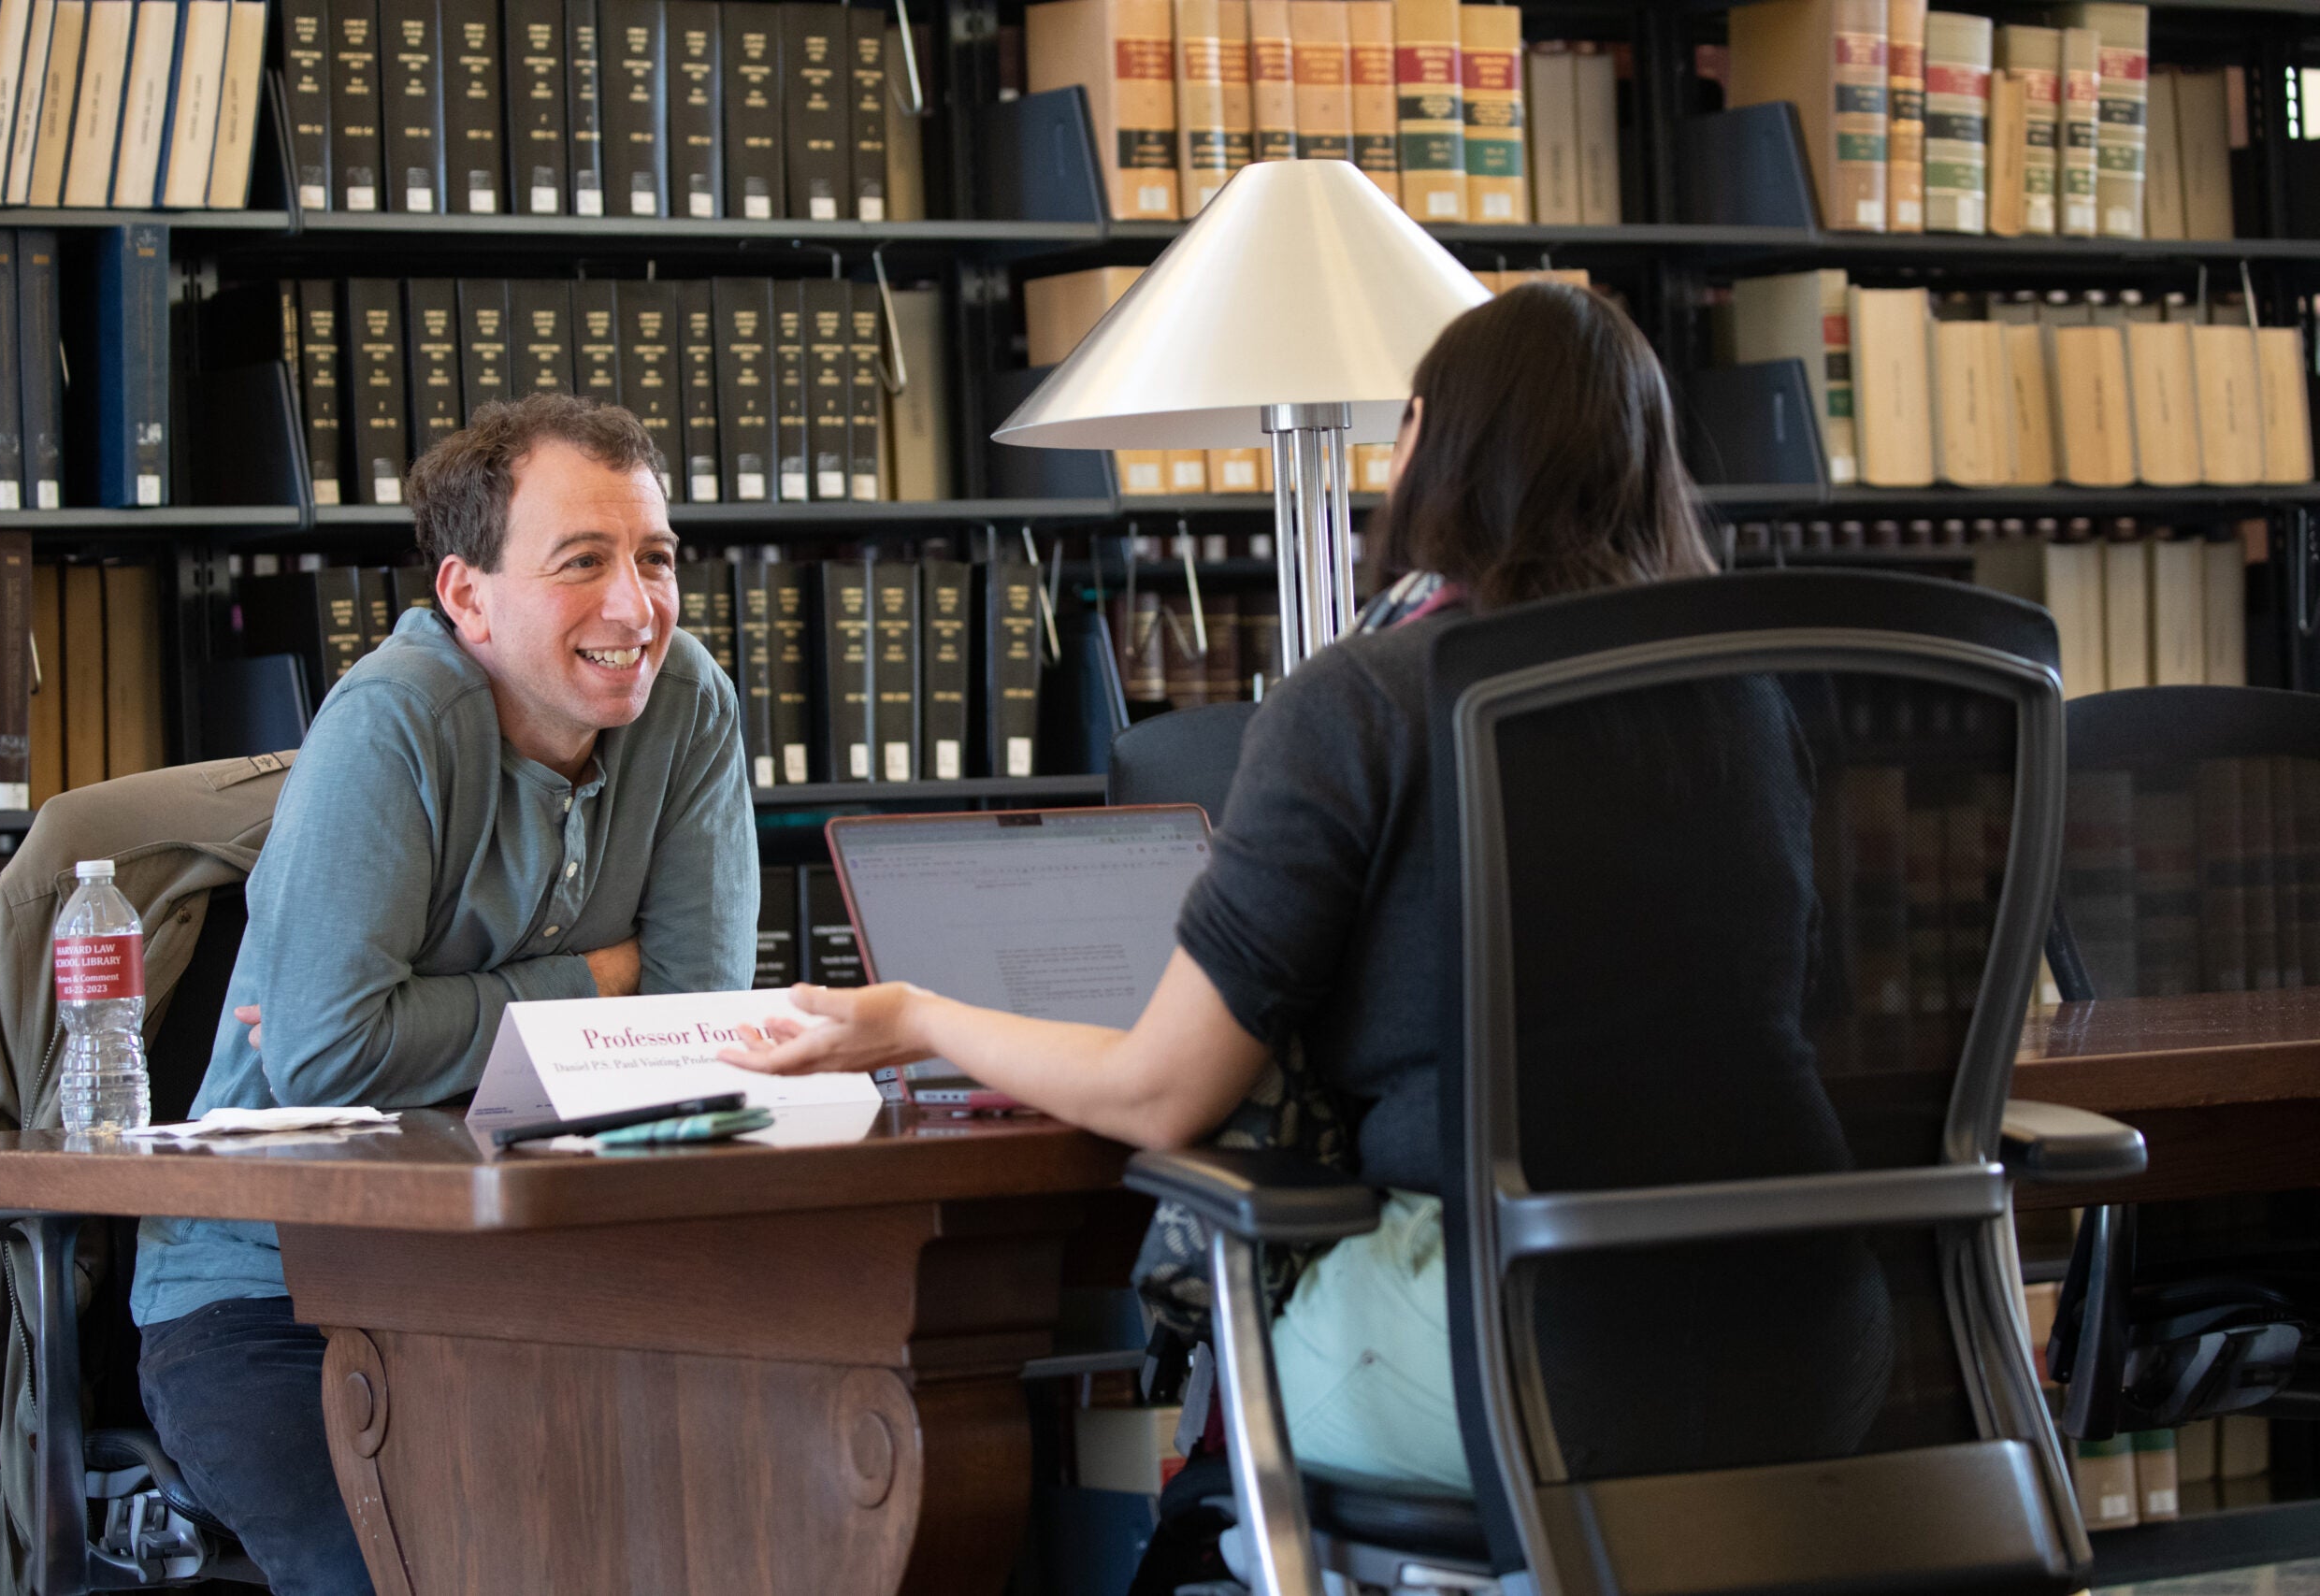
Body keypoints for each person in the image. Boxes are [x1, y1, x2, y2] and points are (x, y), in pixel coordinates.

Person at [716, 281, 1778, 1490]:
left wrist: (911, 1015)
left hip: (1528, 1350)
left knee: (1219, 1454)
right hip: (1815, 1335)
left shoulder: (1367, 696)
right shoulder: (1752, 704)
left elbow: (1160, 1089)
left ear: (1423, 437)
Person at [129, 395, 759, 1594]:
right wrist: (592, 979)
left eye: (657, 559)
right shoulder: (393, 723)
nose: (637, 608)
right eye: (584, 563)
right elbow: (326, 1055)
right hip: (273, 1297)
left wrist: (443, 1016)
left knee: (722, 1534)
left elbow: (689, 1034)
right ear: (468, 595)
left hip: (534, 1266)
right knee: (408, 1573)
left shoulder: (689, 704)